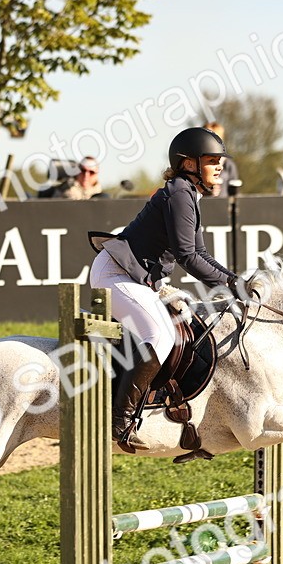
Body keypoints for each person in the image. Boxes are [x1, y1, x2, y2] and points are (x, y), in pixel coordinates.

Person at [90, 127, 240, 452]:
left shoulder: (188, 193)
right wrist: (231, 285)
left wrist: (233, 281)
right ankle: (121, 422)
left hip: (132, 277)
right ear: (189, 164)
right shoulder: (180, 193)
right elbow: (187, 256)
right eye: (212, 161)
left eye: (219, 162)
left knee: (172, 328)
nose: (219, 167)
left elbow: (200, 255)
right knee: (161, 335)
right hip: (116, 275)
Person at [204, 121, 239, 196]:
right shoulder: (197, 162)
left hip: (223, 205)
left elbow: (234, 191)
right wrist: (207, 191)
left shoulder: (229, 165)